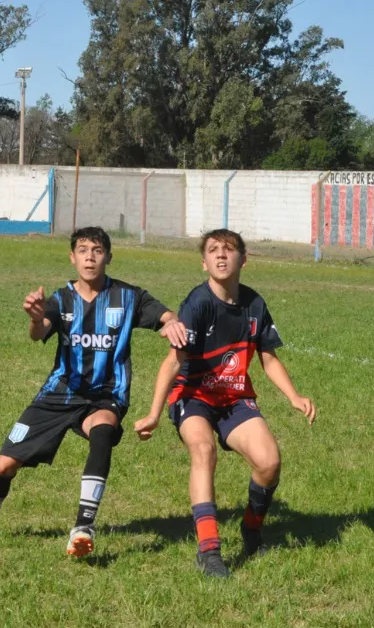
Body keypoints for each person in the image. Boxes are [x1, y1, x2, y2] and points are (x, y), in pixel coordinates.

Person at [0, 226, 188, 556]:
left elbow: (166, 314)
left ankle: (83, 526)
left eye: (97, 251)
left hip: (106, 394)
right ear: (72, 257)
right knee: (4, 465)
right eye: (83, 250)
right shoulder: (61, 299)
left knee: (103, 430)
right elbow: (38, 333)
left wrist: (172, 322)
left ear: (108, 257)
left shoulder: (129, 297)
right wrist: (35, 317)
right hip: (59, 393)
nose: (90, 257)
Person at [134, 229, 315, 578]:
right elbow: (173, 361)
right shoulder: (198, 304)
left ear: (243, 259)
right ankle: (209, 550)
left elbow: (269, 358)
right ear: (204, 262)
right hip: (194, 395)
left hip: (234, 397)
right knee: (203, 450)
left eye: (229, 250)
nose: (221, 255)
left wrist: (294, 396)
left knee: (269, 463)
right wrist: (155, 413)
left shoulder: (254, 304)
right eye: (213, 250)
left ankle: (251, 528)